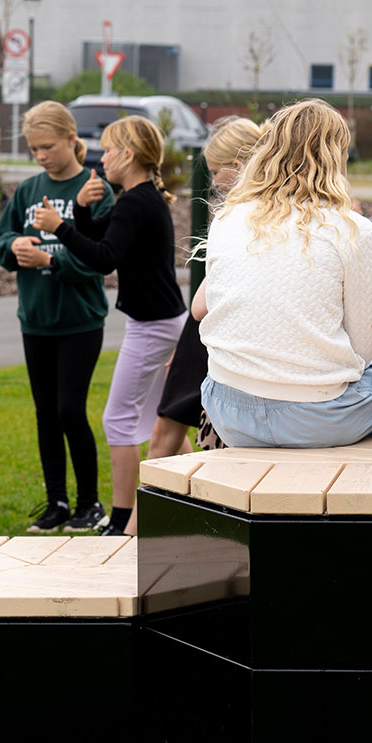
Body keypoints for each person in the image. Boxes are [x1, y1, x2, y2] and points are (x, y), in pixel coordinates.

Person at [194, 98, 372, 448]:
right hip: (314, 418)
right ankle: (346, 471)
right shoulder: (354, 231)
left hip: (226, 408)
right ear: (338, 158)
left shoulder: (227, 218)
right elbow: (366, 347)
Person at [33, 115, 187, 534]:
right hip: (162, 319)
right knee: (166, 419)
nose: (102, 158)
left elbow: (103, 258)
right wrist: (81, 209)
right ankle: (185, 498)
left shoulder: (137, 202)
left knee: (118, 420)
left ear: (130, 155)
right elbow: (102, 237)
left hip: (153, 326)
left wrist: (59, 227)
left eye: (109, 149)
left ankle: (121, 520)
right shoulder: (139, 198)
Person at [122, 115, 265, 535]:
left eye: (216, 171)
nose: (214, 182)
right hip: (214, 329)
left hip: (217, 329)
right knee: (171, 428)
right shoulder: (253, 213)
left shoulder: (237, 217)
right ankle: (141, 525)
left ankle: (136, 532)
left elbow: (207, 298)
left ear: (238, 166)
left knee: (174, 432)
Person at [0, 100, 115, 533]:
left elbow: (100, 259)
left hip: (80, 320)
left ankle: (90, 504)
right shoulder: (27, 190)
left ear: (69, 138)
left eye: (47, 146)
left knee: (69, 410)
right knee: (45, 412)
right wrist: (14, 248)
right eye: (33, 149)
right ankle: (56, 504)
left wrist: (49, 259)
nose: (41, 155)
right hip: (36, 319)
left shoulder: (94, 189)